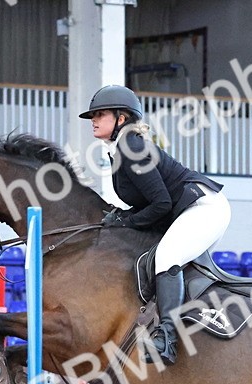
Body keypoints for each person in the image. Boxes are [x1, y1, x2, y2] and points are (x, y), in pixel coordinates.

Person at [81, 84, 229, 366]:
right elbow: (150, 203)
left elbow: (160, 203)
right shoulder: (120, 150)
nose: (94, 120)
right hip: (188, 210)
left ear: (121, 118)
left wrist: (125, 220)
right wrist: (123, 218)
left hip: (204, 208)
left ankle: (167, 339)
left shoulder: (131, 146)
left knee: (167, 257)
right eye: (93, 115)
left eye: (100, 114)